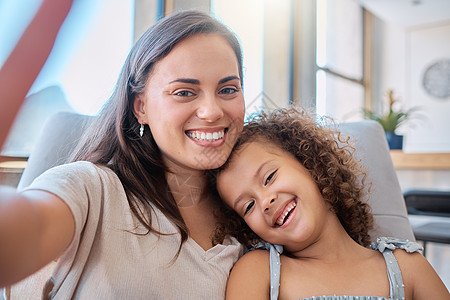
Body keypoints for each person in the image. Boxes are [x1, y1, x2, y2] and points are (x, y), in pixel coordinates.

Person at [0, 10, 246, 299]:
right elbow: (25, 231)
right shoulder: (91, 189)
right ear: (140, 107)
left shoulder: (252, 212)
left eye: (228, 89)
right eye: (184, 92)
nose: (212, 111)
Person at [213, 108, 450, 300]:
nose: (265, 202)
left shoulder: (407, 267)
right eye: (248, 206)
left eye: (269, 177)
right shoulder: (257, 271)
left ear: (310, 165)